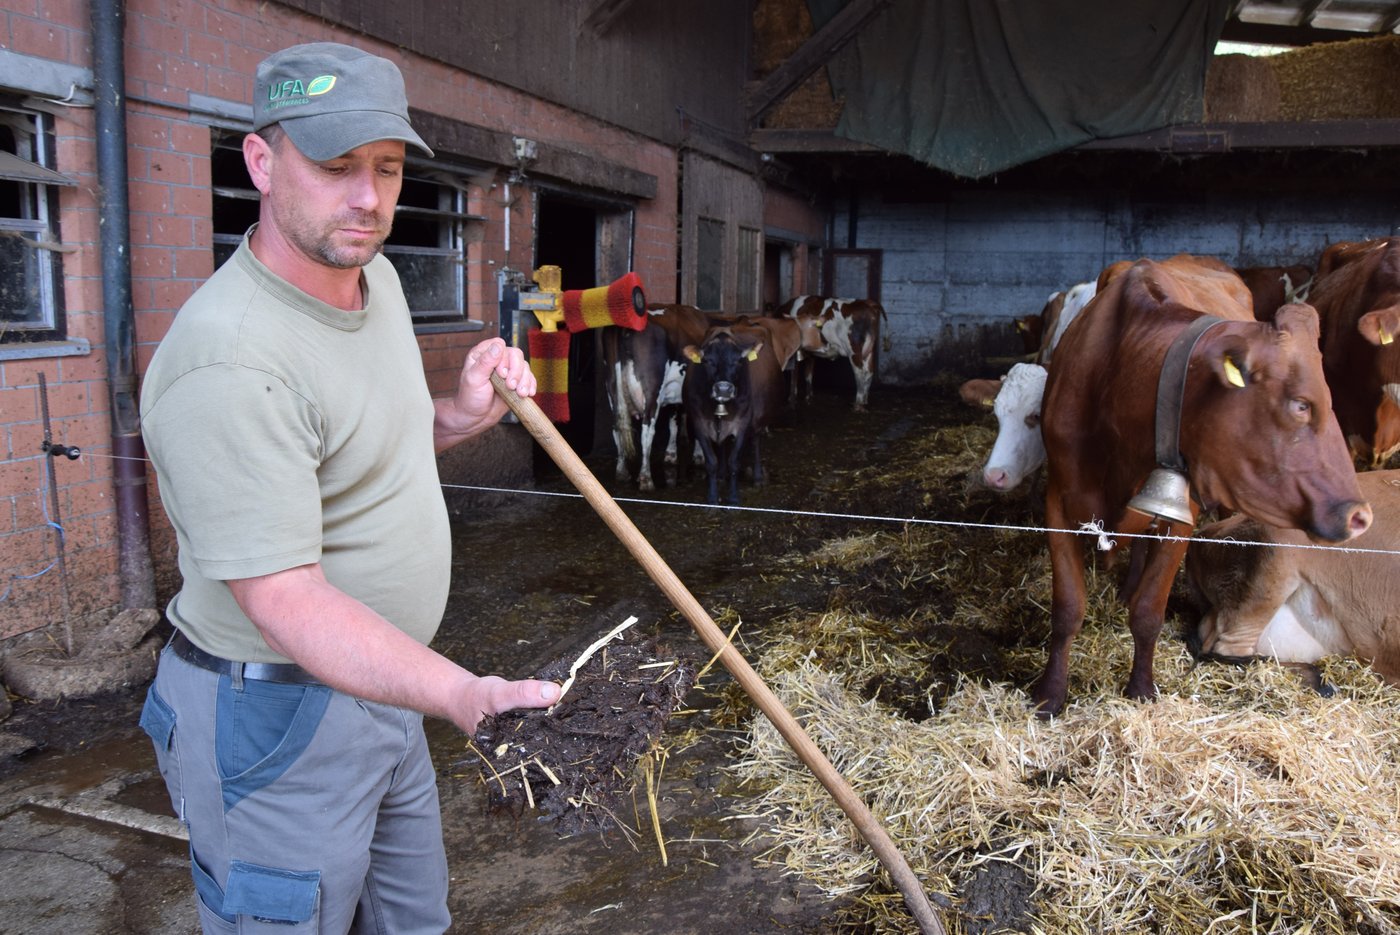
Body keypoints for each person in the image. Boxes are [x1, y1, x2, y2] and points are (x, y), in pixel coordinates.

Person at [138, 42, 560, 933]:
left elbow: (371, 450)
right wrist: (459, 692)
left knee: (413, 922)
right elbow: (285, 599)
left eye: (387, 167)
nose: (368, 197)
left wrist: (462, 411)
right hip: (276, 716)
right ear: (261, 160)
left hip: (382, 694)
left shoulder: (375, 283)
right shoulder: (232, 358)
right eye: (335, 166)